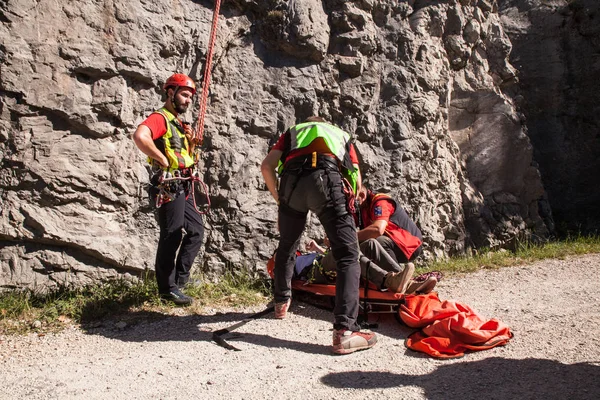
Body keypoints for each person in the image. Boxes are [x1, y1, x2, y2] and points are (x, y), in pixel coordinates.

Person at [261, 116, 377, 355]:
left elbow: (266, 166)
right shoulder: (338, 133)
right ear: (325, 122)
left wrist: (280, 200)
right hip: (325, 177)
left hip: (291, 183)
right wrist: (350, 201)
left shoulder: (293, 132)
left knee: (288, 244)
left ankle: (281, 303)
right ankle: (345, 331)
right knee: (347, 255)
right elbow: (354, 173)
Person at [132, 73, 204, 306]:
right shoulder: (160, 118)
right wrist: (161, 158)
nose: (188, 100)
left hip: (183, 182)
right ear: (170, 93)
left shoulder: (178, 123)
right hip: (168, 184)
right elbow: (140, 136)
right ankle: (167, 289)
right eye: (184, 94)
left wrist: (191, 144)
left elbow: (182, 154)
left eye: (190, 97)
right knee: (171, 235)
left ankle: (180, 280)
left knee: (196, 230)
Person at [356, 185, 438, 293]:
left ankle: (403, 281)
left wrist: (347, 237)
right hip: (394, 242)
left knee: (378, 242)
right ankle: (403, 282)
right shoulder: (363, 210)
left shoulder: (380, 203)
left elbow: (377, 229)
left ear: (361, 195)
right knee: (367, 246)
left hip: (407, 243)